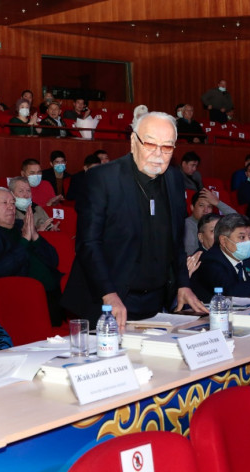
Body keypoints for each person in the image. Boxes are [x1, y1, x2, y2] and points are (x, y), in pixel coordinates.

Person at [61, 112, 207, 329]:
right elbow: (88, 244)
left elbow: (176, 240)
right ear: (133, 141)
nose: (158, 154)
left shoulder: (174, 178)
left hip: (156, 300)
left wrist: (183, 284)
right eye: (150, 144)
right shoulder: (102, 178)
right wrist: (108, 294)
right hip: (109, 299)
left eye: (167, 147)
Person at [0, 188, 64, 326]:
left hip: (54, 294)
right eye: (4, 203)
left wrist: (35, 236)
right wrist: (24, 240)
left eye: (13, 203)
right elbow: (0, 270)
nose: (11, 207)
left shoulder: (21, 225)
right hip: (22, 299)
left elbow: (54, 261)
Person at [184, 190, 237, 256]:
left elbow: (237, 219)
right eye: (201, 205)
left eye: (209, 206)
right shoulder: (187, 224)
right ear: (192, 207)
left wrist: (217, 203)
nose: (206, 210)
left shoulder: (213, 222)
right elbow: (191, 253)